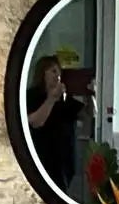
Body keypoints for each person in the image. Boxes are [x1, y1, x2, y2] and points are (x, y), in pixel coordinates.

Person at [26, 55, 82, 192]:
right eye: (53, 71)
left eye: (59, 72)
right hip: (42, 158)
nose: (57, 75)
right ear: (42, 73)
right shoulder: (31, 95)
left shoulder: (65, 98)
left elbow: (86, 116)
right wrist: (51, 99)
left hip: (64, 161)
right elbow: (35, 122)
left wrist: (91, 95)